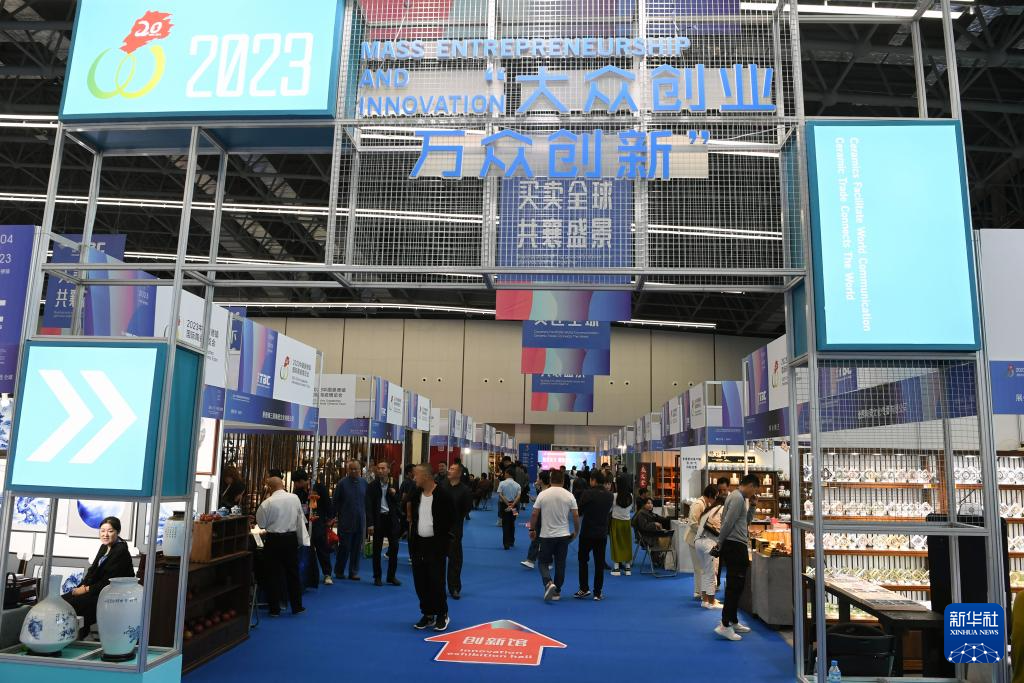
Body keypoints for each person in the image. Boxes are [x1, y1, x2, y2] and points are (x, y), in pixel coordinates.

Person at [62, 516, 134, 634]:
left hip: (112, 594)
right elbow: (92, 570)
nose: (105, 534)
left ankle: (78, 635)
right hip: (98, 589)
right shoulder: (104, 546)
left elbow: (108, 582)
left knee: (73, 604)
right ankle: (74, 634)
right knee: (62, 600)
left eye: (110, 531)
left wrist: (85, 589)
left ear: (117, 532)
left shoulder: (121, 551)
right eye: (102, 531)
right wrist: (82, 586)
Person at [407, 464, 455, 632]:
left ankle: (442, 614)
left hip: (436, 545)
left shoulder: (443, 495)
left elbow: (451, 519)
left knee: (436, 581)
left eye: (417, 475)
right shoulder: (416, 494)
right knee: (420, 581)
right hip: (418, 543)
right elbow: (408, 507)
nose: (414, 478)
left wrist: (444, 540)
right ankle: (428, 614)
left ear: (426, 476)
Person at [713, 473, 760, 641]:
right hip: (734, 545)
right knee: (734, 586)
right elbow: (727, 522)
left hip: (736, 544)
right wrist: (720, 542)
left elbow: (743, 522)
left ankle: (732, 620)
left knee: (737, 585)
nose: (754, 493)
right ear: (751, 486)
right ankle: (725, 624)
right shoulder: (738, 498)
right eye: (755, 490)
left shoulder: (738, 498)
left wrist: (753, 506)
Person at [255, 477, 309, 616]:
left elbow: (261, 524)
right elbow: (300, 518)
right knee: (293, 573)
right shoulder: (294, 498)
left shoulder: (267, 503)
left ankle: (274, 609)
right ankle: (297, 606)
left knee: (272, 574)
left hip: (273, 540)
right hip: (290, 539)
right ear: (283, 484)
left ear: (269, 487)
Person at [529, 469, 579, 602]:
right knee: (560, 564)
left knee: (543, 562)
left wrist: (532, 530)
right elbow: (575, 516)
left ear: (551, 480)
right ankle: (557, 592)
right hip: (563, 535)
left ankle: (548, 582)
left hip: (546, 535)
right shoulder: (569, 496)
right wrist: (576, 531)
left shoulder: (543, 494)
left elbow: (534, 514)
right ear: (563, 480)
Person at [575, 471, 613, 600]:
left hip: (587, 532)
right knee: (599, 563)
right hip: (602, 532)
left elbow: (580, 510)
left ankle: (584, 588)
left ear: (593, 480)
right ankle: (597, 592)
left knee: (583, 561)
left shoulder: (588, 493)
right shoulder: (609, 495)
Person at [292, 469, 333, 585]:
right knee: (305, 548)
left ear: (302, 481)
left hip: (318, 522)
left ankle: (327, 574)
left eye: (296, 482)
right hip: (304, 523)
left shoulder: (319, 487)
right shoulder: (297, 492)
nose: (295, 485)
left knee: (321, 547)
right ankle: (307, 575)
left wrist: (330, 518)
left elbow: (327, 503)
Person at [366, 460, 402, 587]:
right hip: (378, 519)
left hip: (391, 519)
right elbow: (368, 506)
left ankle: (391, 576)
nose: (380, 470)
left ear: (388, 470)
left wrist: (394, 494)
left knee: (394, 548)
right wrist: (370, 524)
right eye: (378, 468)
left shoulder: (394, 483)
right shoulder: (372, 486)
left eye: (383, 468)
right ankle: (377, 576)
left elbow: (398, 501)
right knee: (377, 549)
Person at [441, 462, 473, 599]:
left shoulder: (465, 490)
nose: (449, 470)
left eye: (453, 469)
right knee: (437, 560)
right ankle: (438, 587)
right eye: (449, 468)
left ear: (459, 473)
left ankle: (454, 587)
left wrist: (456, 518)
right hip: (439, 528)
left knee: (455, 559)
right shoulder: (442, 486)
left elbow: (467, 508)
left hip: (455, 529)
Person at [333, 460, 368, 581]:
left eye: (356, 469)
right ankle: (339, 571)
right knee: (344, 547)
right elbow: (335, 502)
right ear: (348, 470)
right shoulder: (342, 483)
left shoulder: (364, 483)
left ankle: (353, 572)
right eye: (351, 469)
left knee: (357, 548)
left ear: (360, 470)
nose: (354, 471)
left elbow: (367, 502)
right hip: (345, 521)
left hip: (360, 521)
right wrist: (333, 517)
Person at [686, 485, 719, 600]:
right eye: (715, 496)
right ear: (710, 495)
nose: (715, 499)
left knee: (703, 567)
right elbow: (693, 523)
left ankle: (700, 592)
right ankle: (700, 593)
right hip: (694, 539)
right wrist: (706, 532)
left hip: (701, 538)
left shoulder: (705, 504)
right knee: (699, 568)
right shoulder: (698, 504)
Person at [695, 496, 726, 609]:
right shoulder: (722, 509)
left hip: (698, 542)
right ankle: (712, 602)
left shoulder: (708, 510)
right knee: (712, 573)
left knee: (705, 572)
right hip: (709, 543)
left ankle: (705, 600)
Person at [521, 469, 550, 569]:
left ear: (541, 480)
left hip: (542, 517)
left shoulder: (544, 492)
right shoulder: (545, 491)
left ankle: (532, 560)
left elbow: (535, 513)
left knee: (537, 539)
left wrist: (531, 528)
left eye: (538, 477)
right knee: (544, 540)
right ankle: (544, 561)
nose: (536, 479)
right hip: (547, 518)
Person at [633, 497, 673, 567]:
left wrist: (670, 519)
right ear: (644, 504)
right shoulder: (641, 514)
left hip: (650, 534)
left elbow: (658, 518)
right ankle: (658, 559)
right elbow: (644, 526)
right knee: (664, 538)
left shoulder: (649, 513)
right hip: (644, 536)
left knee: (664, 534)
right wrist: (654, 524)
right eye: (648, 503)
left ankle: (658, 559)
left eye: (651, 503)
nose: (650, 505)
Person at [609, 488, 633, 576]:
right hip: (627, 522)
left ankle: (616, 568)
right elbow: (631, 508)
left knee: (615, 543)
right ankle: (627, 568)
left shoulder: (614, 496)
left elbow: (610, 509)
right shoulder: (631, 496)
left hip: (616, 521)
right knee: (627, 544)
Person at [497, 468, 522, 550]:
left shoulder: (502, 483)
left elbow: (500, 494)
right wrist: (512, 505)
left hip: (504, 505)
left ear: (508, 474)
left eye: (505, 473)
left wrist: (507, 504)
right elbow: (518, 496)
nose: (504, 474)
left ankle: (506, 544)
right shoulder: (517, 485)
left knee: (505, 524)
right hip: (515, 506)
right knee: (512, 522)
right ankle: (511, 541)